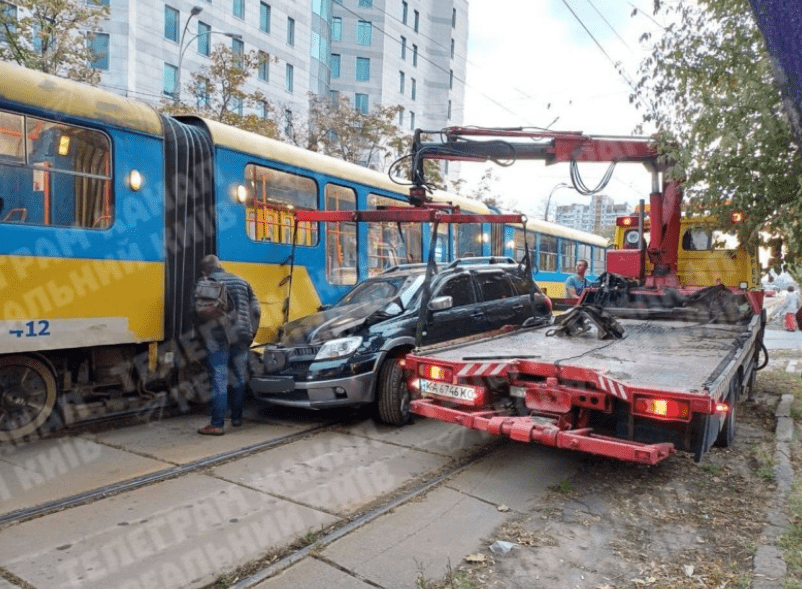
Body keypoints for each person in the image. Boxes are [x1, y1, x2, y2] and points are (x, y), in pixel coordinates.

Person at [195, 255, 261, 435]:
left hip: (218, 336)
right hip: (241, 335)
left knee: (220, 378)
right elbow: (256, 309)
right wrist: (250, 332)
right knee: (239, 377)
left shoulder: (206, 281)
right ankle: (237, 418)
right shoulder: (241, 281)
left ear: (204, 270)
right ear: (220, 266)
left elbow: (198, 310)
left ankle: (217, 424)